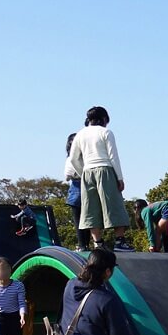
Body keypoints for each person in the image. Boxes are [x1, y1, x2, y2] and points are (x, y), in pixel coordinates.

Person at [67, 105, 133, 252]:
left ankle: (98, 243)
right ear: (104, 119)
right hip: (105, 169)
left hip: (87, 171)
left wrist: (83, 172)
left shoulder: (80, 134)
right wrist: (119, 178)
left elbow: (73, 159)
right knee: (114, 205)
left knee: (90, 209)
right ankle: (119, 241)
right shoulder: (106, 132)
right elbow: (113, 157)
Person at [64, 133, 92, 252]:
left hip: (76, 188)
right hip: (88, 187)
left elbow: (67, 175)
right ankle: (86, 244)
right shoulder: (87, 156)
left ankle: (82, 245)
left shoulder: (70, 158)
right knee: (88, 220)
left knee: (78, 221)